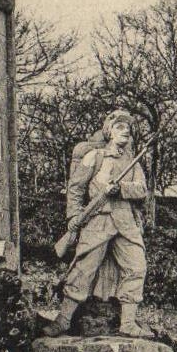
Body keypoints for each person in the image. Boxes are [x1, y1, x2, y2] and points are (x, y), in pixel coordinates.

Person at [46, 108, 150, 337]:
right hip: (97, 219)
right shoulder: (95, 157)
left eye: (128, 128)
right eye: (119, 126)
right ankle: (63, 320)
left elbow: (142, 190)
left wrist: (120, 189)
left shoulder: (133, 162)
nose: (125, 131)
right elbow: (75, 189)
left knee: (137, 267)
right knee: (83, 268)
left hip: (125, 222)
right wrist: (74, 218)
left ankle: (128, 323)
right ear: (109, 131)